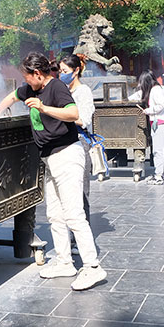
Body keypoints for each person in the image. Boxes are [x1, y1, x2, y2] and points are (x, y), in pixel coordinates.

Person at [0, 52, 106, 291]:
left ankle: (92, 267)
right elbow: (12, 97)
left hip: (67, 154)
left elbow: (73, 114)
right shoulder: (30, 90)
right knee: (55, 214)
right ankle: (65, 262)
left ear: (38, 74)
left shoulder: (56, 87)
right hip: (49, 158)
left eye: (27, 78)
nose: (25, 83)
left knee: (74, 214)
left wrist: (44, 108)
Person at [59, 54, 94, 222]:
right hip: (63, 143)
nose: (61, 74)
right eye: (60, 71)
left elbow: (84, 120)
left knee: (81, 190)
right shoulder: (63, 90)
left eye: (65, 71)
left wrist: (61, 115)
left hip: (79, 141)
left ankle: (80, 234)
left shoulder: (83, 91)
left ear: (76, 71)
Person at [130, 71, 164, 185]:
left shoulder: (155, 90)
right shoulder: (154, 89)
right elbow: (137, 95)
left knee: (158, 150)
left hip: (160, 123)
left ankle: (158, 176)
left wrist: (148, 111)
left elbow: (161, 105)